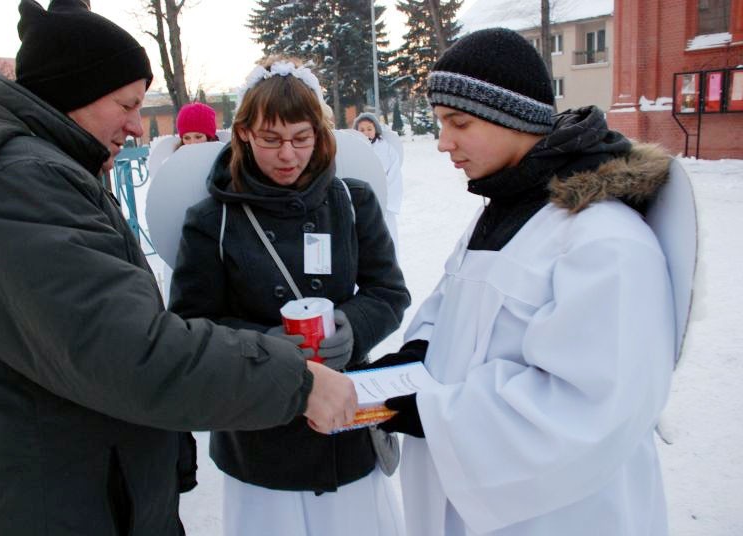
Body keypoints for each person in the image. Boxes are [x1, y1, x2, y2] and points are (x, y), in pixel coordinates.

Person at [0, 2, 357, 534]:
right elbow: (124, 348)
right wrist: (293, 379)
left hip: (84, 487)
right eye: (127, 104)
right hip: (49, 502)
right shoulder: (13, 183)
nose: (138, 125)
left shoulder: (44, 170)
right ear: (75, 92)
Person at [369, 28, 675, 536]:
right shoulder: (507, 209)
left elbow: (587, 406)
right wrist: (416, 353)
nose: (443, 142)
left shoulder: (604, 237)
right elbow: (452, 306)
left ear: (511, 117)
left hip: (563, 516)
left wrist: (433, 412)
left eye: (458, 122)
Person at [169, 57, 411, 536]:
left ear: (320, 134)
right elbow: (190, 325)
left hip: (346, 427)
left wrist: (353, 325)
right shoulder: (213, 219)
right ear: (242, 134)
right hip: (260, 438)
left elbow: (389, 292)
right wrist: (266, 345)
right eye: (271, 140)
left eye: (301, 139)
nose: (288, 156)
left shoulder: (352, 201)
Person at [353, 112, 403, 250]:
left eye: (369, 128)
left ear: (376, 129)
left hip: (384, 203)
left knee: (385, 239)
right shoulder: (354, 150)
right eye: (362, 130)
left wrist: (387, 201)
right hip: (361, 202)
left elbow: (394, 176)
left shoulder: (387, 150)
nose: (366, 133)